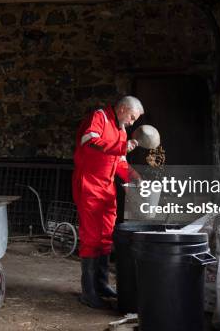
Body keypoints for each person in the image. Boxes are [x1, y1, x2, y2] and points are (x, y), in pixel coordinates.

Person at [72, 95, 144, 308]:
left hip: (106, 188)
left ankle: (101, 284)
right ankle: (88, 291)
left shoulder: (121, 130)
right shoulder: (100, 117)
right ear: (122, 109)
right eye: (132, 117)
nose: (132, 123)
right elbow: (90, 141)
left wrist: (136, 178)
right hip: (89, 185)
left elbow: (120, 163)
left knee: (105, 236)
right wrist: (121, 147)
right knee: (91, 237)